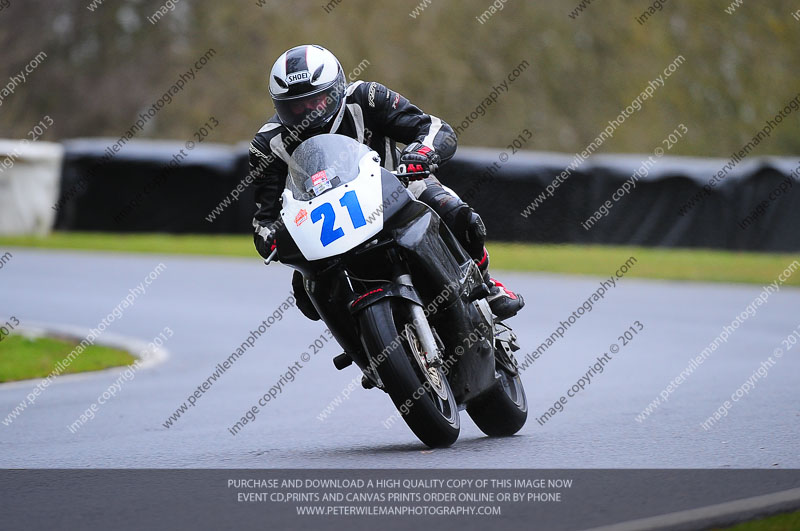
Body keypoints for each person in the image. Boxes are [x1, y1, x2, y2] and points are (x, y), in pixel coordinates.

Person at [250, 44, 523, 323]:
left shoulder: (367, 98)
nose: (308, 110)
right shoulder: (267, 144)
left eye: (316, 101)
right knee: (306, 294)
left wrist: (421, 152)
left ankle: (486, 285)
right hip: (328, 223)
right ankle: (362, 347)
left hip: (396, 190)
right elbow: (265, 219)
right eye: (296, 105)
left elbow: (434, 128)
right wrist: (272, 236)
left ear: (336, 89)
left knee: (456, 213)